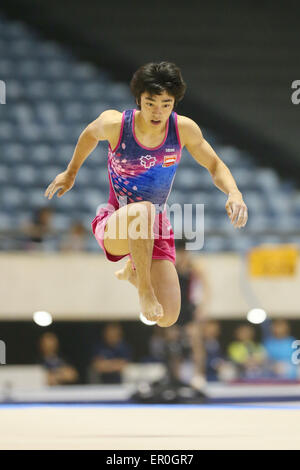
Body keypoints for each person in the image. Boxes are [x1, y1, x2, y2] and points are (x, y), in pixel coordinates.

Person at [44, 61, 248, 326]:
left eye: (166, 104)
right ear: (139, 99)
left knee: (168, 317)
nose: (158, 111)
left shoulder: (183, 129)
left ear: (174, 103)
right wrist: (71, 172)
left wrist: (234, 193)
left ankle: (133, 272)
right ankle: (143, 290)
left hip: (154, 226)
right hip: (116, 222)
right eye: (151, 103)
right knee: (143, 210)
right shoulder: (116, 123)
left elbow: (214, 164)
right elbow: (89, 135)